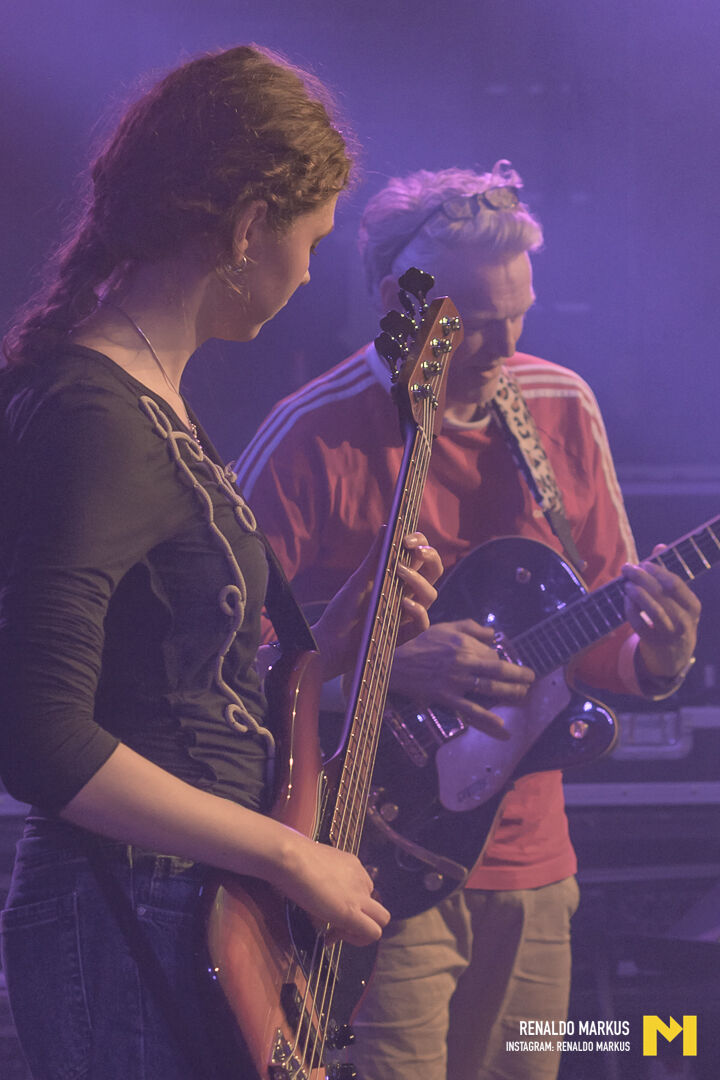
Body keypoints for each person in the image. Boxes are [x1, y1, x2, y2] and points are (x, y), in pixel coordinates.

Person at [0, 46, 443, 1080]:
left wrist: (329, 648)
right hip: (131, 905)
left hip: (182, 899)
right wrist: (289, 854)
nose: (309, 273)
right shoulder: (95, 413)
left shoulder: (150, 403)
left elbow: (170, 695)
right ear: (248, 228)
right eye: (311, 240)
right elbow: (37, 736)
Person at [234, 162, 701, 1080]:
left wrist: (660, 654)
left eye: (520, 313)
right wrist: (382, 665)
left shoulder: (561, 404)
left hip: (533, 867)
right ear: (397, 301)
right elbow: (217, 663)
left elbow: (602, 638)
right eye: (478, 319)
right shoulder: (310, 432)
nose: (505, 343)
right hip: (369, 858)